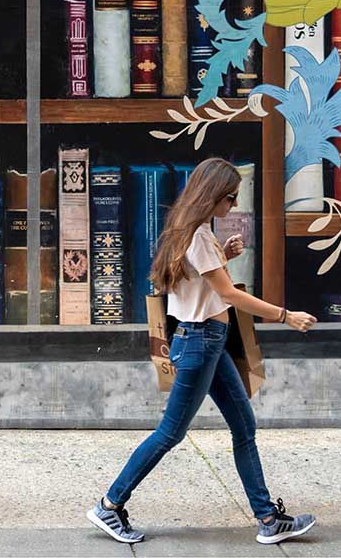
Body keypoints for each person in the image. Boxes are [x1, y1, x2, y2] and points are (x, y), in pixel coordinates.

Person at [87, 157, 318, 546]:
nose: (232, 206)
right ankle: (110, 505)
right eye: (229, 198)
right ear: (212, 196)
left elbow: (197, 281)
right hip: (199, 343)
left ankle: (267, 519)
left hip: (206, 343)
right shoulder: (198, 235)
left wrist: (222, 256)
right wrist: (286, 315)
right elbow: (228, 294)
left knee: (244, 427)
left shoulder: (188, 231)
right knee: (169, 434)